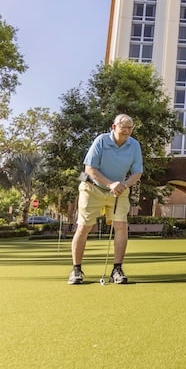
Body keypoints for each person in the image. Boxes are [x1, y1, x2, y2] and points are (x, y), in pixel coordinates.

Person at [68, 114, 143, 285]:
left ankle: (117, 270)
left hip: (119, 190)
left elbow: (137, 172)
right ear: (113, 127)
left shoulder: (134, 145)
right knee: (84, 227)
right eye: (122, 126)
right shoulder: (101, 141)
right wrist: (110, 184)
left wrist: (124, 185)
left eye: (130, 127)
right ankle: (76, 270)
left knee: (121, 226)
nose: (126, 130)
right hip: (92, 188)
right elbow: (90, 169)